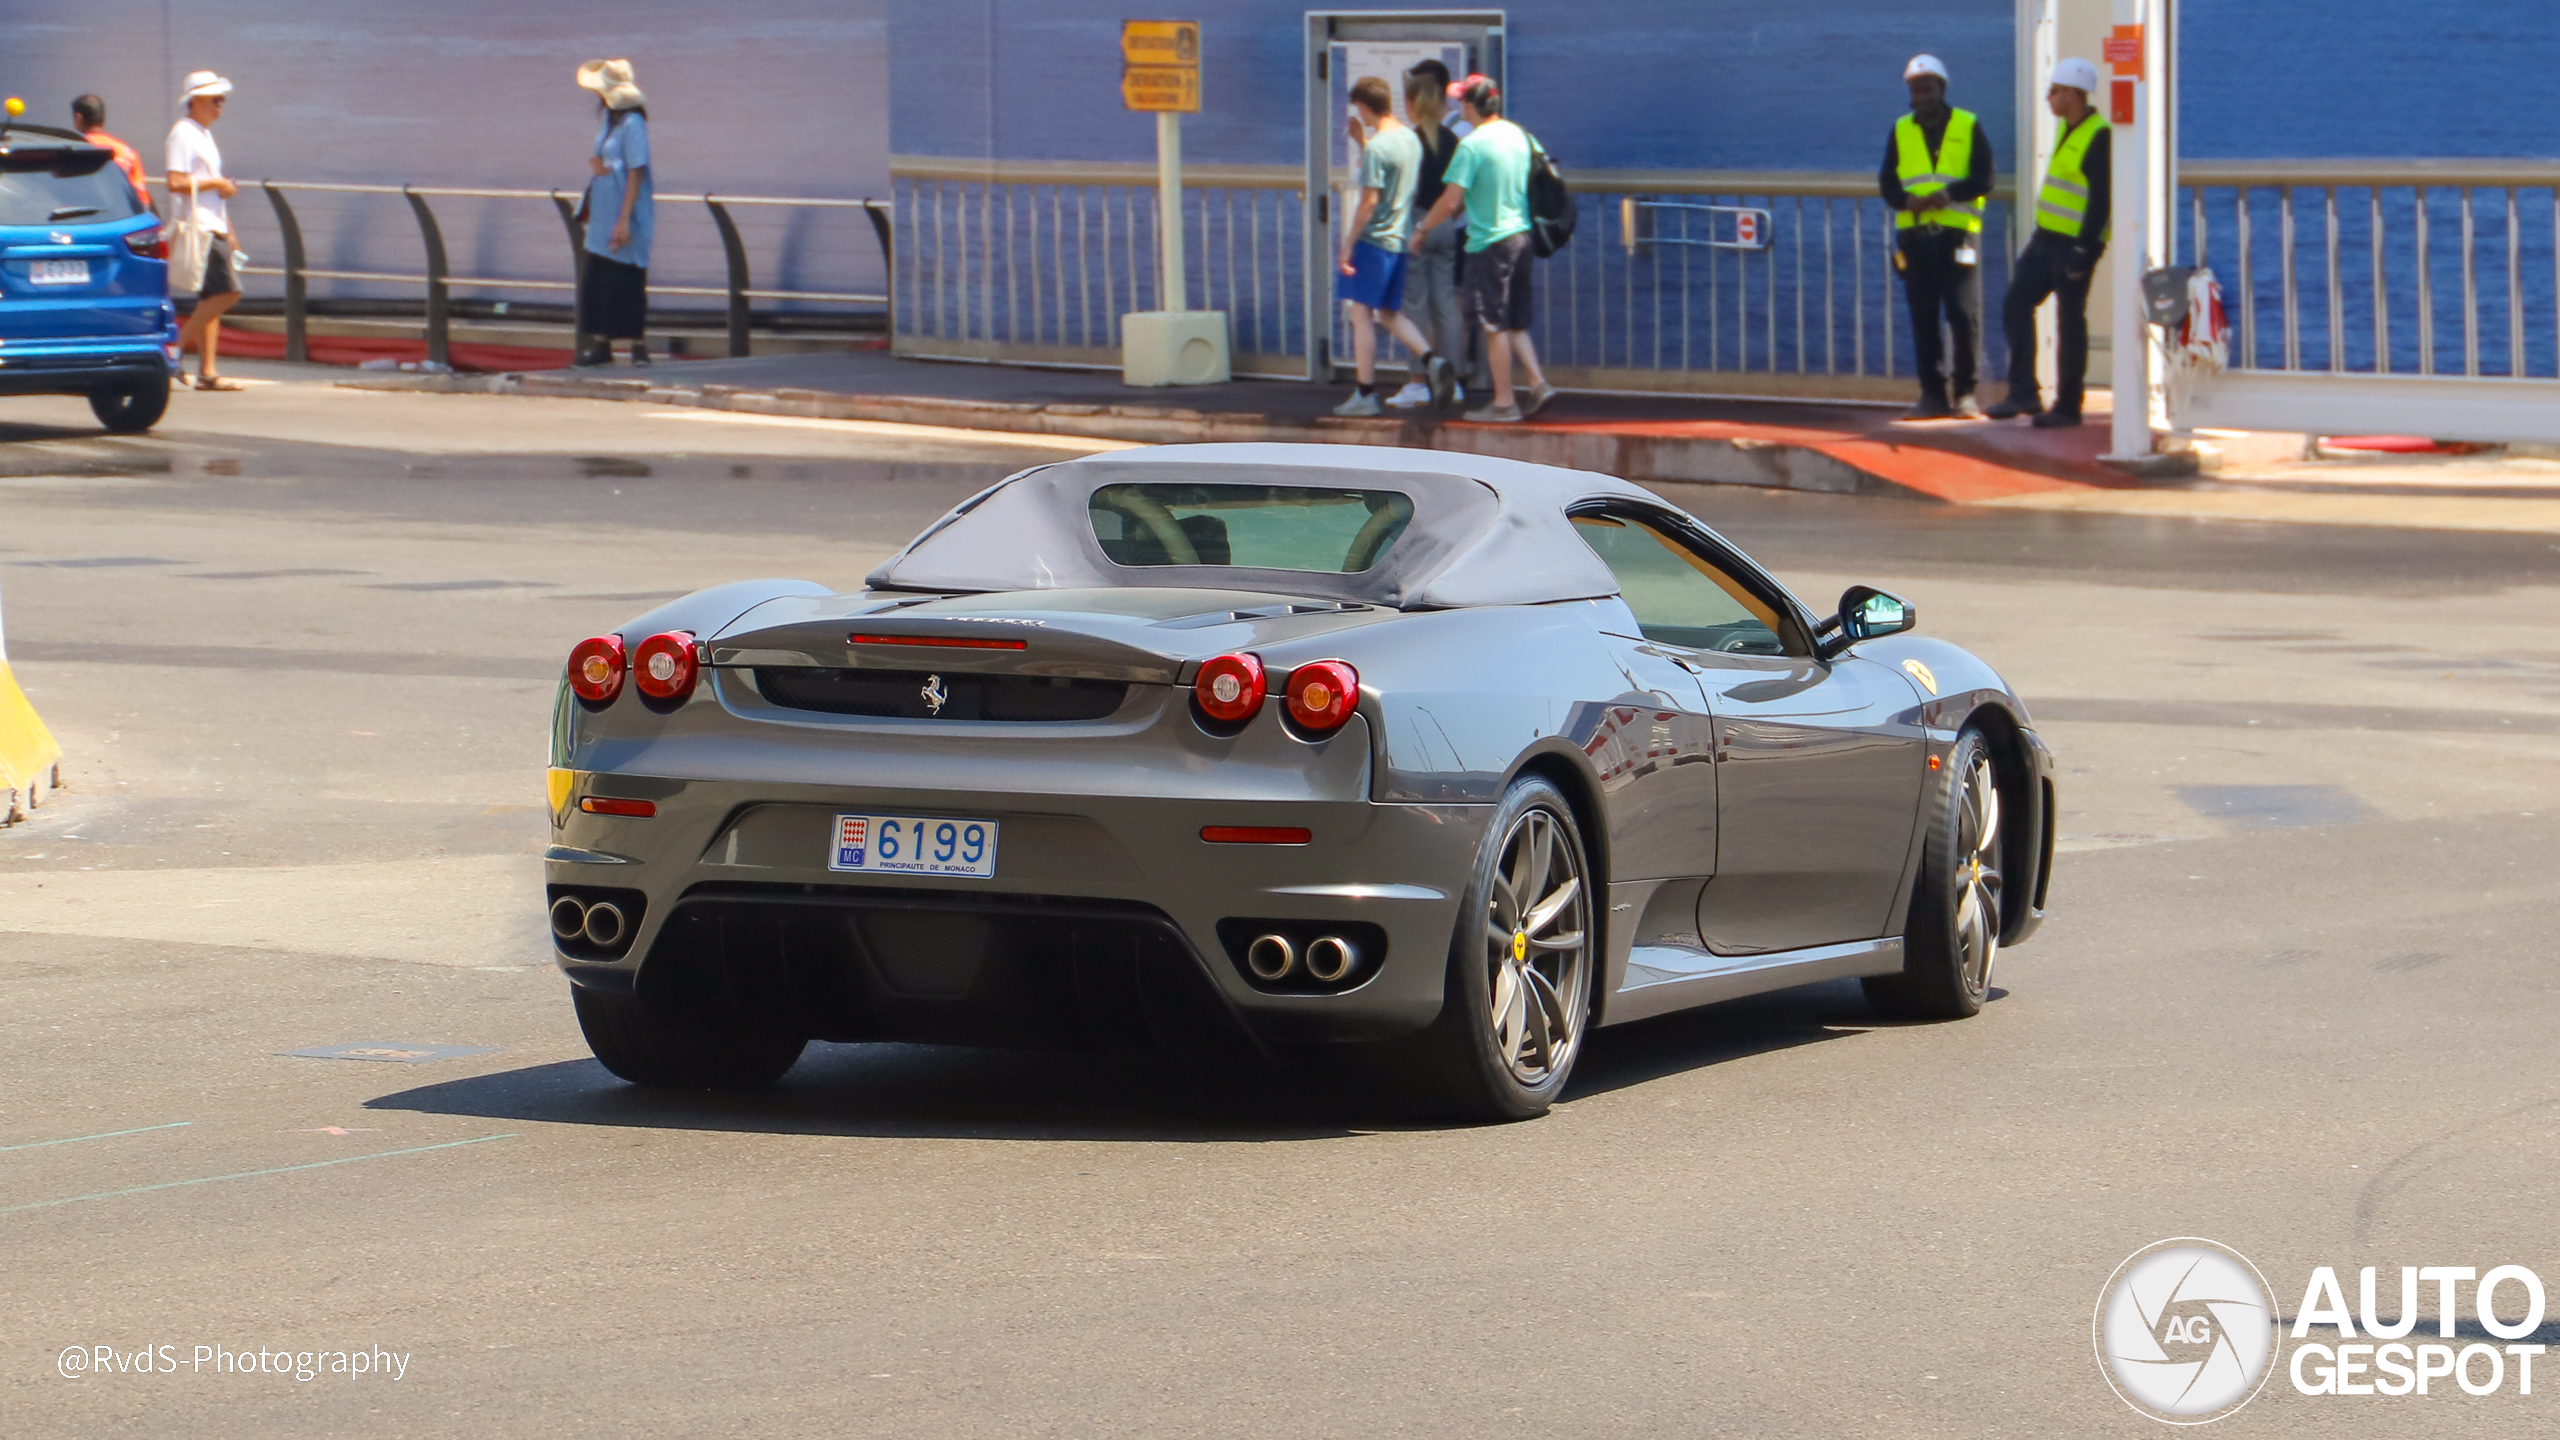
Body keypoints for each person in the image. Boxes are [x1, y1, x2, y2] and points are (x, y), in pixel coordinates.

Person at [1414, 75, 1553, 424]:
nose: (1460, 107)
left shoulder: (1473, 146)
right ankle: (1537, 383)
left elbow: (1450, 201)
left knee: (1493, 324)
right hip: (1521, 237)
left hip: (1489, 242)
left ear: (1471, 106)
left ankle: (1504, 402)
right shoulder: (1519, 135)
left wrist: (1421, 229)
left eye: (1462, 101)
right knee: (1515, 321)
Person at [1987, 58, 2111, 428]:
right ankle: (2023, 391)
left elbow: (2100, 200)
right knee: (2015, 304)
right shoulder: (2067, 128)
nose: (2048, 97)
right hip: (2046, 238)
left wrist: (2084, 248)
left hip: (2073, 244)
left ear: (2073, 93)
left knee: (2070, 320)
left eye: (2055, 91)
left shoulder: (2098, 135)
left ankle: (2069, 405)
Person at [1878, 55, 1994, 421]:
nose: (1922, 95)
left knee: (1963, 315)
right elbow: (1888, 184)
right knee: (1923, 318)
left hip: (1958, 237)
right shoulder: (1900, 130)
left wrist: (1949, 194)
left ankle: (1965, 395)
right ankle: (1931, 394)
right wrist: (1907, 201)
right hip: (1915, 238)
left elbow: (1984, 178)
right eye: (1916, 89)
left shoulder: (1968, 124)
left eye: (1928, 88)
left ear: (1941, 89)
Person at [1332, 76, 1454, 416]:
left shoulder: (1377, 148)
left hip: (1373, 240)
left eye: (1359, 108)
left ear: (1366, 107)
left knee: (1360, 314)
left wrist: (1347, 244)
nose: (1359, 114)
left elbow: (1369, 201)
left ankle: (1365, 392)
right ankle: (1433, 359)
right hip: (1399, 240)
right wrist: (1362, 142)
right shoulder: (1409, 140)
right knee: (1388, 313)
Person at [1384, 60, 1468, 412]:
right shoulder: (1454, 138)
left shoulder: (1410, 140)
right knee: (1446, 305)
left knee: (1415, 305)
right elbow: (1457, 192)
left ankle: (1418, 382)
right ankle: (1455, 381)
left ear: (1414, 102)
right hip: (1447, 226)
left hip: (1417, 224)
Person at [165, 70, 245, 391]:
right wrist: (217, 183)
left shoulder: (204, 134)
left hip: (213, 223)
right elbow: (176, 181)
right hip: (199, 225)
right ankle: (173, 349)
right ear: (195, 100)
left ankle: (207, 371)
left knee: (213, 297)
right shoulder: (182, 133)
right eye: (215, 99)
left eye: (221, 99)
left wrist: (230, 230)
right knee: (228, 292)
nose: (220, 105)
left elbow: (209, 186)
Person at [574, 58, 655, 367]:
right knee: (600, 277)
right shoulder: (611, 119)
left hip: (623, 210)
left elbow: (636, 171)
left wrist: (624, 219)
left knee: (628, 277)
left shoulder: (633, 124)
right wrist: (599, 167)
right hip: (604, 210)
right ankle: (601, 343)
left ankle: (637, 345)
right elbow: (610, 160)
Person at [71, 95, 153, 211]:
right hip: (123, 216)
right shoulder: (126, 152)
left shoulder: (74, 150)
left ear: (78, 117)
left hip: (85, 217)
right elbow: (142, 197)